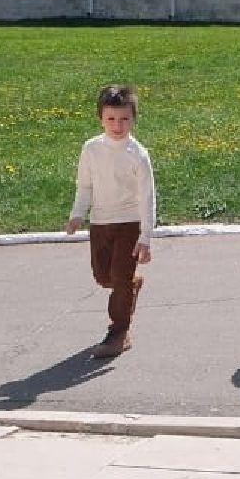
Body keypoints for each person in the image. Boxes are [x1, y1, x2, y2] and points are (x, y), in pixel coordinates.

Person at [66, 84, 157, 359]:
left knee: (119, 278)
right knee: (103, 276)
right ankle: (131, 285)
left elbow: (147, 197)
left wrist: (145, 236)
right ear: (101, 119)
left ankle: (119, 333)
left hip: (129, 223)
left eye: (124, 119)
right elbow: (85, 186)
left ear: (134, 119)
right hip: (100, 223)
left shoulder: (138, 154)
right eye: (111, 118)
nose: (118, 125)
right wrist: (77, 214)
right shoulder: (91, 149)